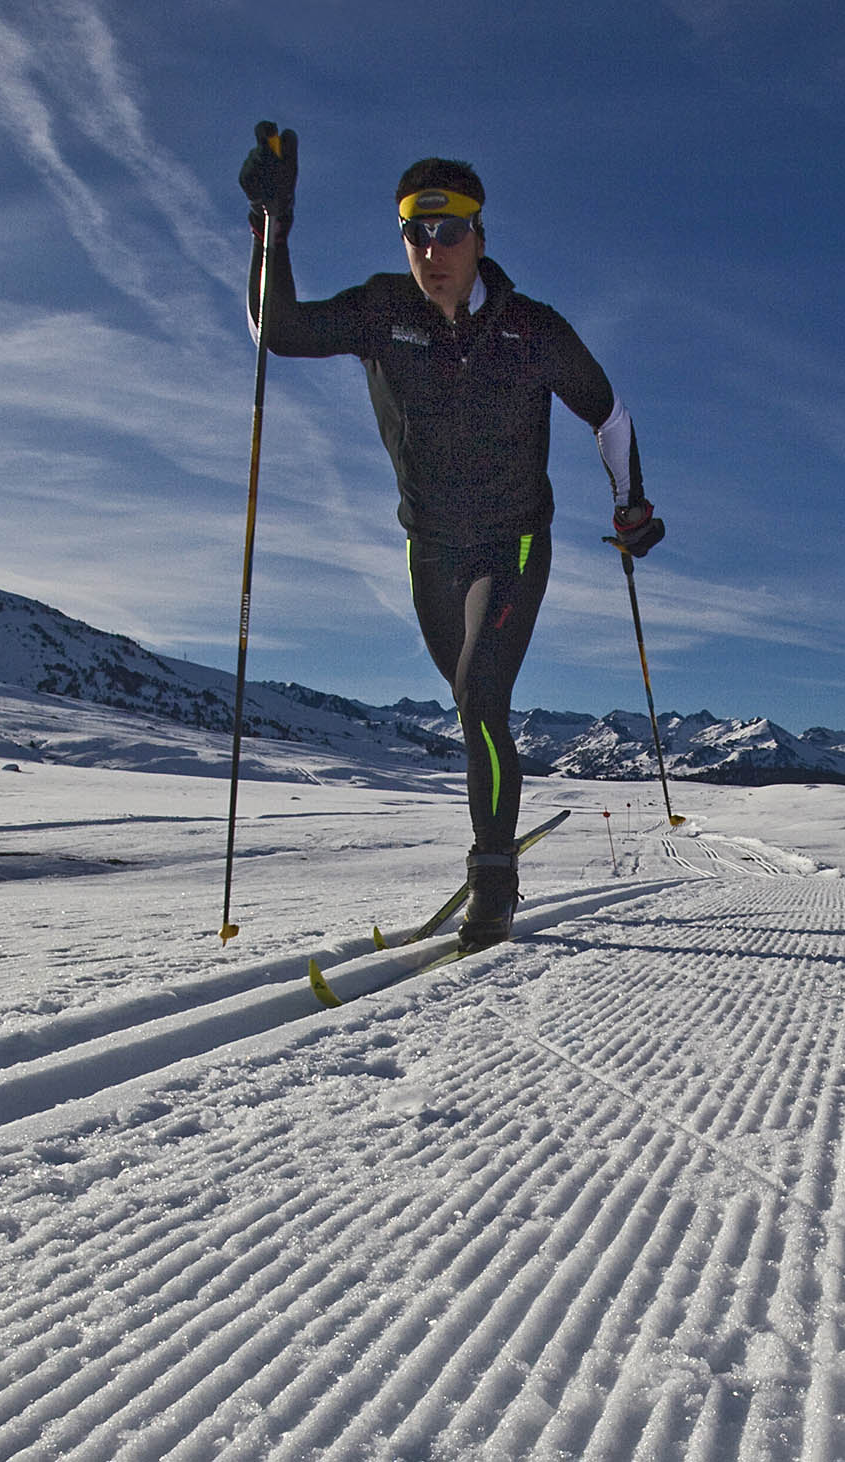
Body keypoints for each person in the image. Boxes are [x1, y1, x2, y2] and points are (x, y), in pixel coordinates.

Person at [238, 123, 664, 951]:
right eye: (415, 233)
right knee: (471, 708)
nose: (432, 249)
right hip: (428, 548)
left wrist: (631, 506)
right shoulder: (378, 312)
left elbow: (607, 413)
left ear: (479, 237)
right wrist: (269, 229)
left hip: (513, 545)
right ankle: (496, 837)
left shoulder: (532, 330)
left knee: (480, 698)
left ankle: (493, 880)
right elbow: (276, 330)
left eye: (449, 231)